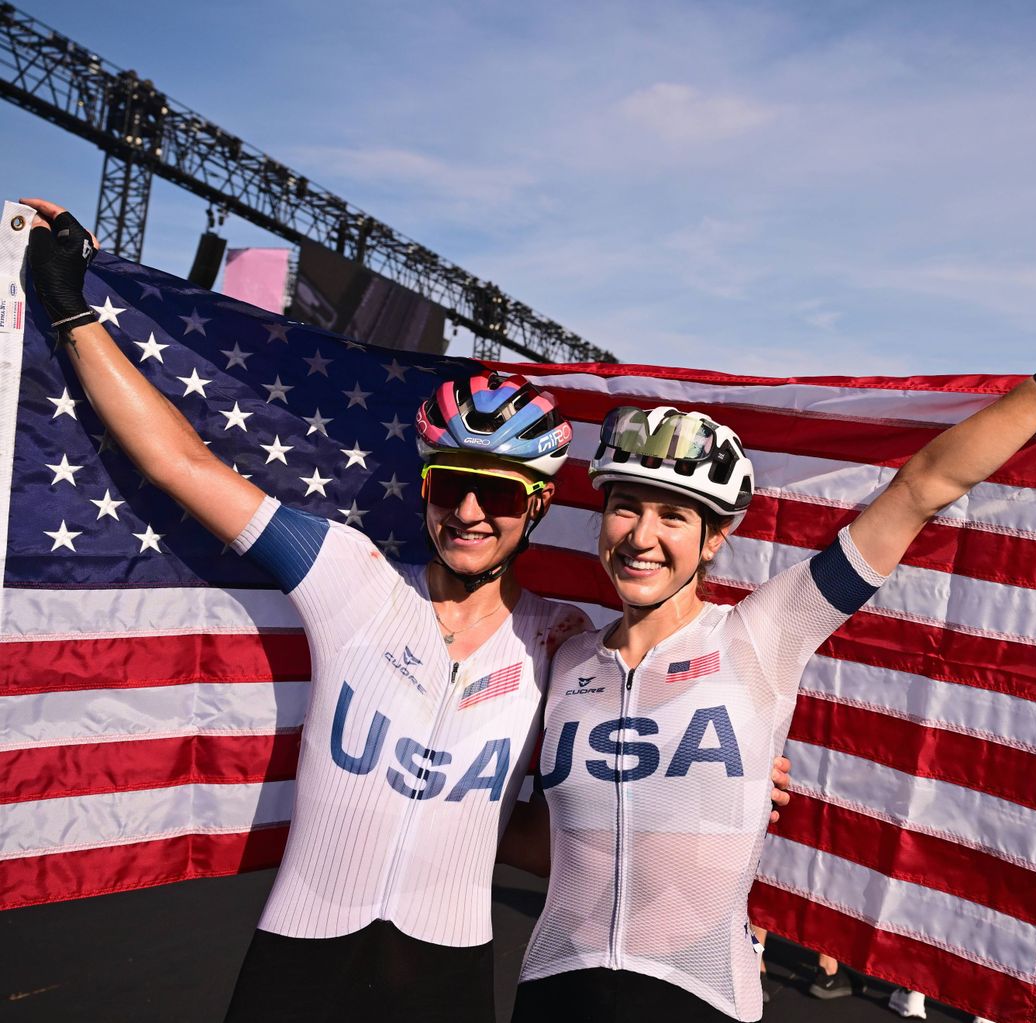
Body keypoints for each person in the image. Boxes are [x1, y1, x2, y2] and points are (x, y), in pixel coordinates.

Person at [21, 198, 796, 1022]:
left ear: (533, 507)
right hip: (298, 955)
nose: (467, 511)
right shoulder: (349, 577)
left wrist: (733, 778)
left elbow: (588, 802)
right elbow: (179, 463)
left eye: (495, 492)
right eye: (447, 486)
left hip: (447, 979)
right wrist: (70, 306)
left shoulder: (560, 641)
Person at [511, 334, 1036, 1018]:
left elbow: (917, 491)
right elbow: (534, 836)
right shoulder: (566, 654)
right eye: (625, 506)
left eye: (673, 514)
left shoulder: (760, 634)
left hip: (697, 996)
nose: (641, 535)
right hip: (555, 988)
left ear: (713, 538)